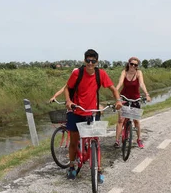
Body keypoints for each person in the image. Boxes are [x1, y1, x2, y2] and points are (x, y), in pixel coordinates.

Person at [64, 49, 122, 183]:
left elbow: (113, 89)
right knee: (73, 141)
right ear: (84, 61)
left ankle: (99, 168)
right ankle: (72, 165)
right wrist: (69, 101)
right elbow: (67, 88)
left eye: (93, 61)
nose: (90, 63)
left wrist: (118, 100)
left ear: (97, 62)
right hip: (76, 111)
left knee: (96, 142)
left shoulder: (100, 74)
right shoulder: (77, 73)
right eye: (88, 60)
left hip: (93, 112)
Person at [114, 57, 151, 149]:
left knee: (136, 121)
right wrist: (115, 91)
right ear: (128, 64)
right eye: (132, 64)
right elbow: (120, 82)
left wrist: (147, 94)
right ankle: (117, 141)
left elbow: (142, 84)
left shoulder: (139, 73)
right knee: (121, 120)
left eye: (135, 65)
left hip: (135, 98)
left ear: (137, 66)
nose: (133, 66)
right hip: (124, 97)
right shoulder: (124, 72)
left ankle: (139, 139)